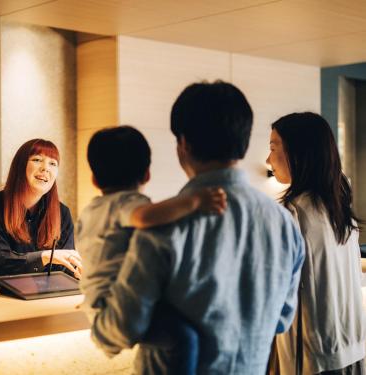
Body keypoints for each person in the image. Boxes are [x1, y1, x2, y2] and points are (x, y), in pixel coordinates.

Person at [90, 81, 305, 374]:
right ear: (242, 141)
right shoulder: (284, 224)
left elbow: (121, 329)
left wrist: (96, 314)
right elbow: (282, 319)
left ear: (184, 144)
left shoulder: (165, 226)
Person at [77, 125, 227, 374]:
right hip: (114, 308)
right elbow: (144, 217)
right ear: (147, 175)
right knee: (185, 337)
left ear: (94, 179)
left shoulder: (91, 210)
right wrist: (194, 201)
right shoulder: (126, 203)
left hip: (97, 303)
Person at [267, 112, 366, 375]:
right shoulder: (338, 207)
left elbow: (272, 289)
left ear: (298, 153)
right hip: (353, 346)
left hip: (315, 355)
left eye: (273, 147)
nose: (268, 160)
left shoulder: (292, 213)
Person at [0, 139, 81, 291]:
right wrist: (43, 257)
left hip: (33, 297)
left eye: (53, 163)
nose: (45, 168)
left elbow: (65, 268)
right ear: (20, 166)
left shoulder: (62, 213)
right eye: (37, 160)